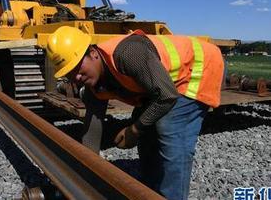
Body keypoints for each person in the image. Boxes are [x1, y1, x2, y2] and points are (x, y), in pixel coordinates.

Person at [46, 26, 224, 200]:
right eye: (69, 73)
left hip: (195, 69)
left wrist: (134, 130)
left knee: (169, 128)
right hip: (162, 84)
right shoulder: (93, 85)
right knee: (147, 131)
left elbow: (167, 95)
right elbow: (92, 129)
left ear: (93, 52)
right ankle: (149, 191)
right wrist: (85, 173)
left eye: (77, 67)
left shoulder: (127, 54)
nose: (76, 77)